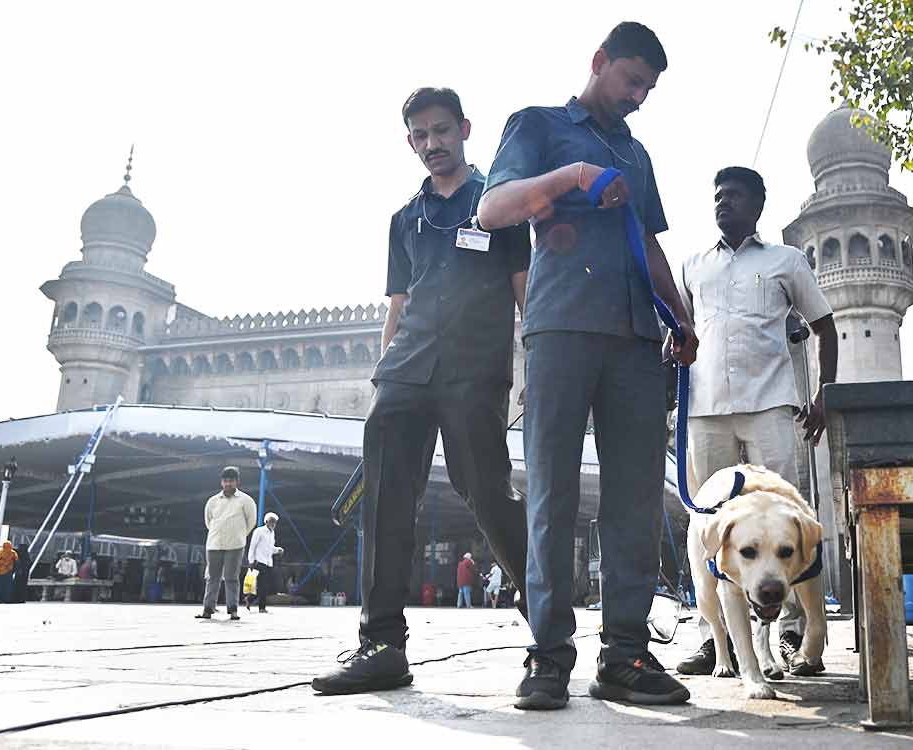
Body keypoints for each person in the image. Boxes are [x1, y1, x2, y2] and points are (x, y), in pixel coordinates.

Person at [477, 21, 697, 710]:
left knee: (633, 501)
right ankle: (547, 657)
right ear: (599, 62)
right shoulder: (538, 125)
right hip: (562, 328)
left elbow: (651, 245)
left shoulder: (637, 153)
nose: (639, 96)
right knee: (552, 495)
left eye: (650, 88)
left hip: (635, 339)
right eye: (632, 80)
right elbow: (491, 210)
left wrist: (683, 317)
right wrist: (571, 177)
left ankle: (626, 655)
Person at [311, 87, 533, 696]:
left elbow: (525, 292)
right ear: (410, 141)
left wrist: (536, 366)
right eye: (420, 135)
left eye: (442, 131)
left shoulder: (498, 204)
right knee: (385, 501)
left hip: (473, 369)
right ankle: (380, 644)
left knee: (484, 489)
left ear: (464, 128)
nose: (433, 144)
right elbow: (399, 302)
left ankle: (544, 618)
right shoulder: (403, 219)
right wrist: (383, 368)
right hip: (405, 371)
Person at [674, 167, 838, 677]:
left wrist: (824, 395)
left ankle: (791, 633)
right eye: (717, 196)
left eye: (735, 196)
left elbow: (825, 327)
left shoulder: (785, 261)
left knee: (787, 521)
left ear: (758, 205)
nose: (723, 203)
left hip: (769, 403)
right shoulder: (693, 265)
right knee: (709, 526)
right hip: (704, 407)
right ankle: (713, 638)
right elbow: (681, 332)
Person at [196, 466, 256, 621]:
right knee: (212, 578)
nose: (228, 484)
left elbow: (251, 522)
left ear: (237, 482)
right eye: (225, 481)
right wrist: (219, 533)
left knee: (231, 578)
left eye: (231, 481)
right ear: (221, 482)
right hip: (214, 544)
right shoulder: (213, 501)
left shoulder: (246, 500)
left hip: (235, 546)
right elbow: (209, 521)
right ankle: (208, 609)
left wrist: (239, 536)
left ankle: (233, 610)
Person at [247, 511, 285, 613]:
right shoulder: (259, 531)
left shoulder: (272, 533)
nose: (273, 524)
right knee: (263, 585)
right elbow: (252, 546)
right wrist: (251, 560)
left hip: (268, 562)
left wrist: (278, 550)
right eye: (272, 522)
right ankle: (262, 607)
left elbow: (270, 548)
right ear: (266, 521)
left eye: (275, 522)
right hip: (259, 561)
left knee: (267, 586)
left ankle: (249, 599)